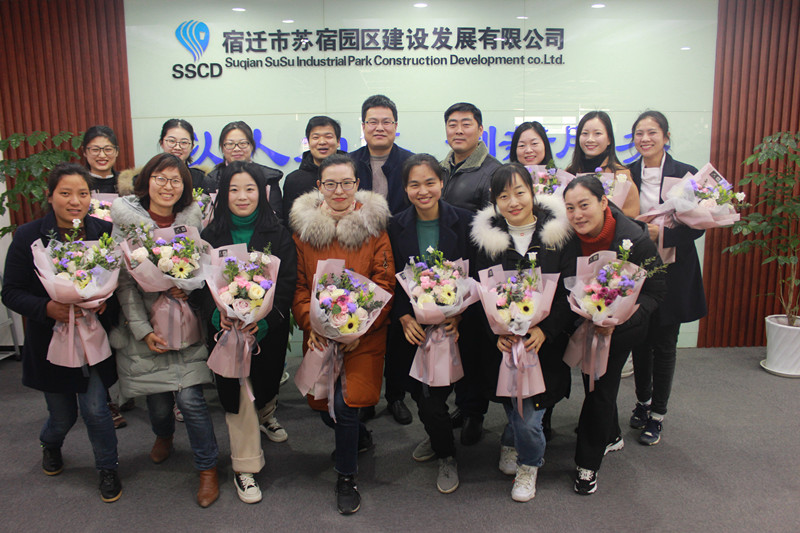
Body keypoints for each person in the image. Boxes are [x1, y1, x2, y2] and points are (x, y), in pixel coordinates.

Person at [1, 163, 122, 502]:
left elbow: (118, 285)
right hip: (51, 341)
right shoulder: (28, 237)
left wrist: (105, 304)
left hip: (92, 338)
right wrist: (47, 308)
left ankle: (108, 468)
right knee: (63, 416)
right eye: (65, 193)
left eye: (82, 193)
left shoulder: (104, 231)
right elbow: (11, 292)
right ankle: (50, 443)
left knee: (96, 409)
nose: (75, 201)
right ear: (50, 196)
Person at [109, 153, 219, 507]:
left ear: (185, 187)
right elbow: (124, 282)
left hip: (186, 325)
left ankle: (208, 468)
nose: (168, 186)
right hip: (146, 325)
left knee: (191, 400)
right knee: (157, 402)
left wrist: (187, 288)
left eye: (176, 180)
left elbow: (205, 269)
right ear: (147, 180)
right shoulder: (126, 221)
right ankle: (164, 435)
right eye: (161, 178)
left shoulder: (192, 220)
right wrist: (142, 330)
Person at [289, 153, 394, 515]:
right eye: (331, 184)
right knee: (325, 408)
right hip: (320, 337)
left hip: (364, 337)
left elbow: (384, 283)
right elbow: (299, 287)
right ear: (319, 186)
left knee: (347, 406)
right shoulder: (304, 232)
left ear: (357, 185)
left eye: (346, 183)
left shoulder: (374, 229)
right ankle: (360, 438)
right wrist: (311, 324)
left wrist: (361, 328)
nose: (339, 191)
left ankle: (346, 477)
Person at [470, 163, 575, 502]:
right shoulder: (486, 240)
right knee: (512, 401)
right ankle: (510, 439)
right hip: (503, 345)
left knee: (531, 415)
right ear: (495, 201)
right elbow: (478, 294)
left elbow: (569, 292)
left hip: (542, 344)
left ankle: (529, 464)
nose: (513, 202)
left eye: (519, 192)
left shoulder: (558, 235)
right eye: (504, 196)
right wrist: (495, 335)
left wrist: (547, 330)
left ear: (533, 192)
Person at [562, 175, 666, 495]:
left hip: (621, 327)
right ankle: (611, 434)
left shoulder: (634, 238)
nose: (577, 214)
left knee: (600, 389)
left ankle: (587, 464)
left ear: (603, 202)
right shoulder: (566, 236)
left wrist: (619, 319)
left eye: (584, 205)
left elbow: (657, 290)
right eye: (570, 208)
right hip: (582, 319)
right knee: (591, 381)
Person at [201, 161, 297, 503]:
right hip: (227, 335)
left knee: (266, 387)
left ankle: (267, 414)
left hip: (267, 332)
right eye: (234, 189)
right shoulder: (211, 235)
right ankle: (245, 467)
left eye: (250, 189)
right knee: (237, 397)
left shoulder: (279, 234)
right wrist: (218, 316)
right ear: (223, 194)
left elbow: (287, 284)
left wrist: (266, 320)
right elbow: (201, 285)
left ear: (263, 192)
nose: (242, 196)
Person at [386, 154, 474, 493]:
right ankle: (443, 445)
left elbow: (477, 273)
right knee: (423, 396)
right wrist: (403, 315)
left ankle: (443, 447)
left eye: (430, 182)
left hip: (455, 326)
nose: (422, 191)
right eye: (414, 185)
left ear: (441, 183)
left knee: (440, 397)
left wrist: (460, 314)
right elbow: (390, 278)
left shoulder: (464, 221)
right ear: (405, 188)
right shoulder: (394, 226)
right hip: (414, 328)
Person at [627, 111, 707, 445]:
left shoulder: (686, 174)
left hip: (673, 270)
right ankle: (642, 402)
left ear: (666, 136)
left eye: (652, 132)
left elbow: (699, 226)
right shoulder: (626, 174)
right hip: (638, 269)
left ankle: (657, 414)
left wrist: (661, 234)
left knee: (664, 343)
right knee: (640, 339)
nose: (645, 139)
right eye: (639, 133)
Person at [440, 102, 502, 445]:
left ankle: (475, 413)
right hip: (448, 274)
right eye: (452, 124)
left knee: (476, 346)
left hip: (477, 273)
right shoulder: (441, 167)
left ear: (480, 129)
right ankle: (463, 405)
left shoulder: (492, 172)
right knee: (458, 343)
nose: (458, 130)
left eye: (466, 123)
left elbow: (494, 229)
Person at [204, 121, 284, 221]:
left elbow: (277, 219)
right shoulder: (211, 180)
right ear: (222, 147)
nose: (237, 149)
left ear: (252, 145)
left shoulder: (268, 178)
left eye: (243, 143)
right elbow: (205, 219)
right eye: (230, 144)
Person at [565, 111, 640, 217]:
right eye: (585, 133)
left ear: (609, 139)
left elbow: (631, 216)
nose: (590, 139)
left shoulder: (620, 175)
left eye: (597, 133)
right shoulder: (569, 173)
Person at [350, 94, 414, 216]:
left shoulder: (411, 163)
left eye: (386, 122)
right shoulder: (348, 163)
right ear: (363, 127)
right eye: (373, 122)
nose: (379, 128)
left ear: (395, 126)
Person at [282, 115, 346, 222]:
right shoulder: (294, 180)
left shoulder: (353, 174)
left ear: (338, 141)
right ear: (308, 142)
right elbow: (288, 222)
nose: (322, 142)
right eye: (316, 137)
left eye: (328, 136)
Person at [157, 118, 208, 190]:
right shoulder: (149, 175)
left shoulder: (201, 179)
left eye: (184, 142)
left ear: (192, 147)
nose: (177, 147)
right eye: (172, 141)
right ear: (161, 143)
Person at [81, 125, 120, 194]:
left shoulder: (129, 183)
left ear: (117, 151)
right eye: (95, 149)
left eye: (108, 149)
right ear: (84, 151)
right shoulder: (78, 183)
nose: (102, 155)